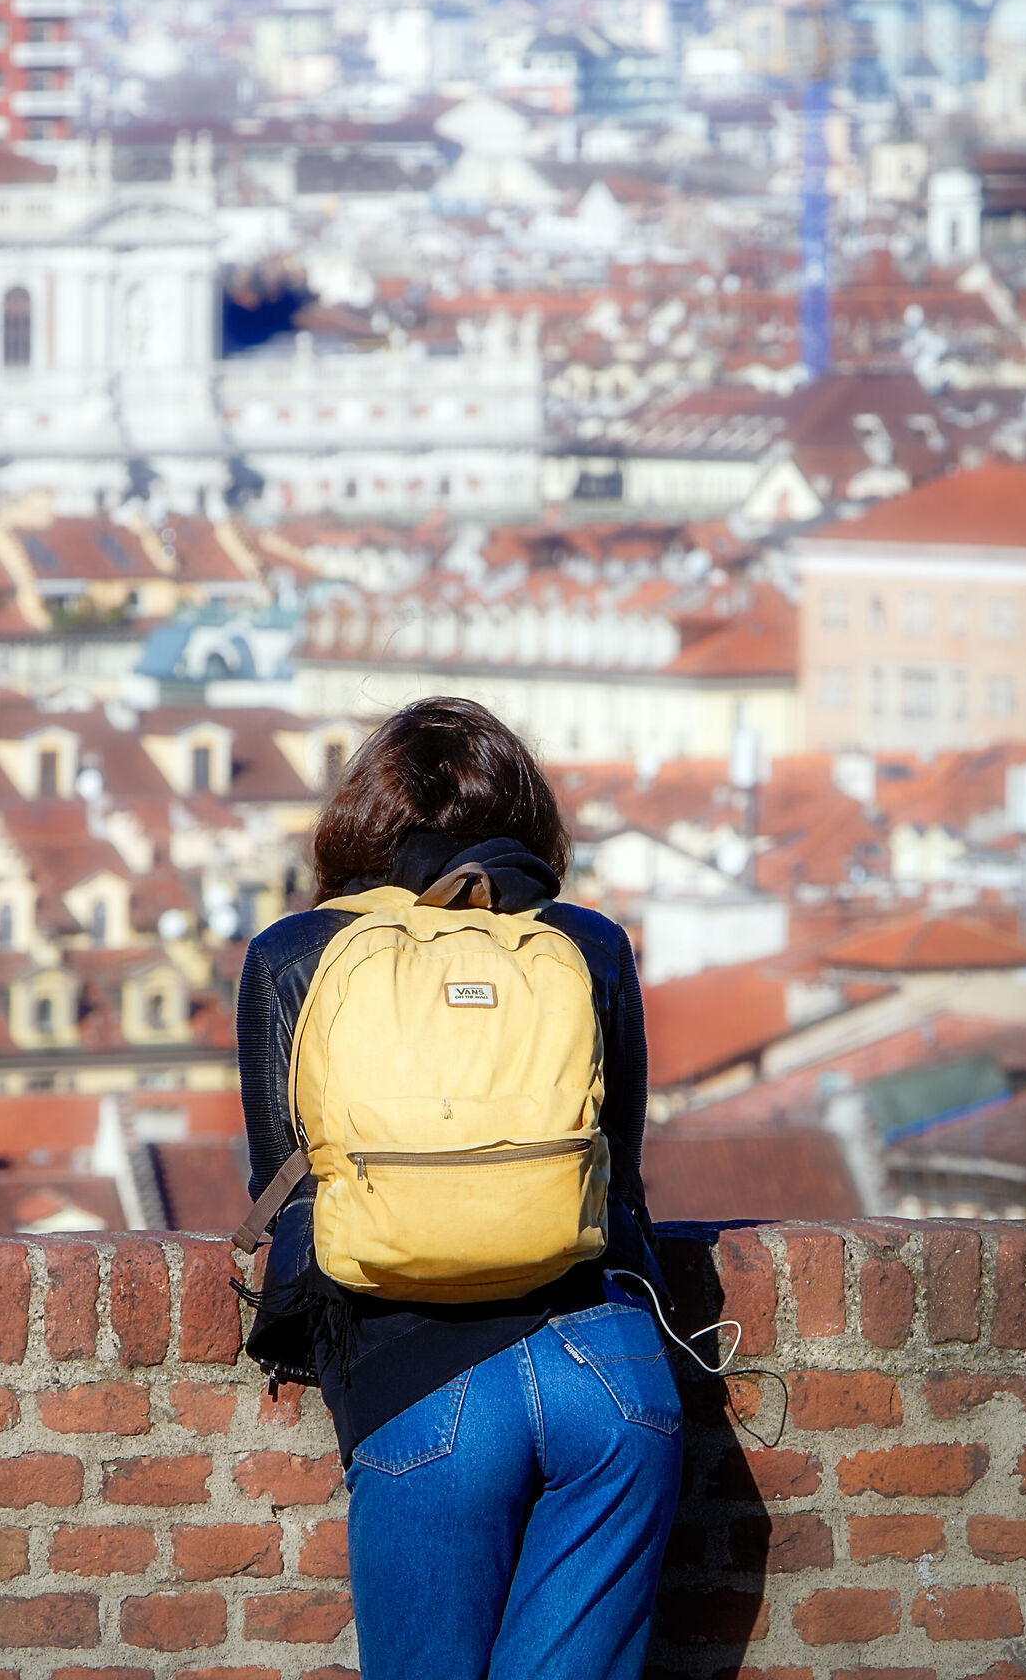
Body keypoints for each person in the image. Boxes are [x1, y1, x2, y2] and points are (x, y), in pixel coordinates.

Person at [236, 696, 681, 1680]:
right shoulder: (591, 944)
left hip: (420, 1380)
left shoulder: (295, 953)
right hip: (608, 1371)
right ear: (529, 816)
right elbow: (624, 1184)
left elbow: (294, 1206)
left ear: (360, 817)